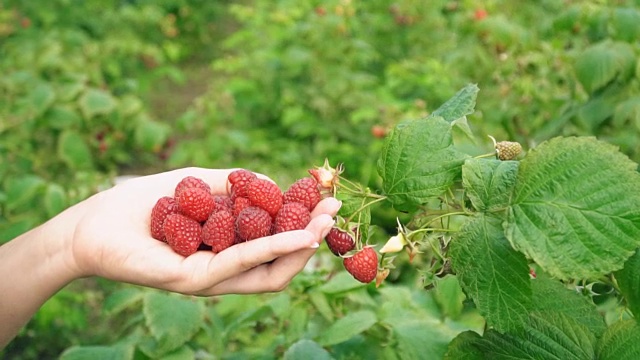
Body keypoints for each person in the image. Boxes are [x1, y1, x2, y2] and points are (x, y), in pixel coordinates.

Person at [0, 167, 341, 348]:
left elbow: (238, 212)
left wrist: (72, 240)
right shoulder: (202, 213)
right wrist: (74, 239)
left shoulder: (235, 209)